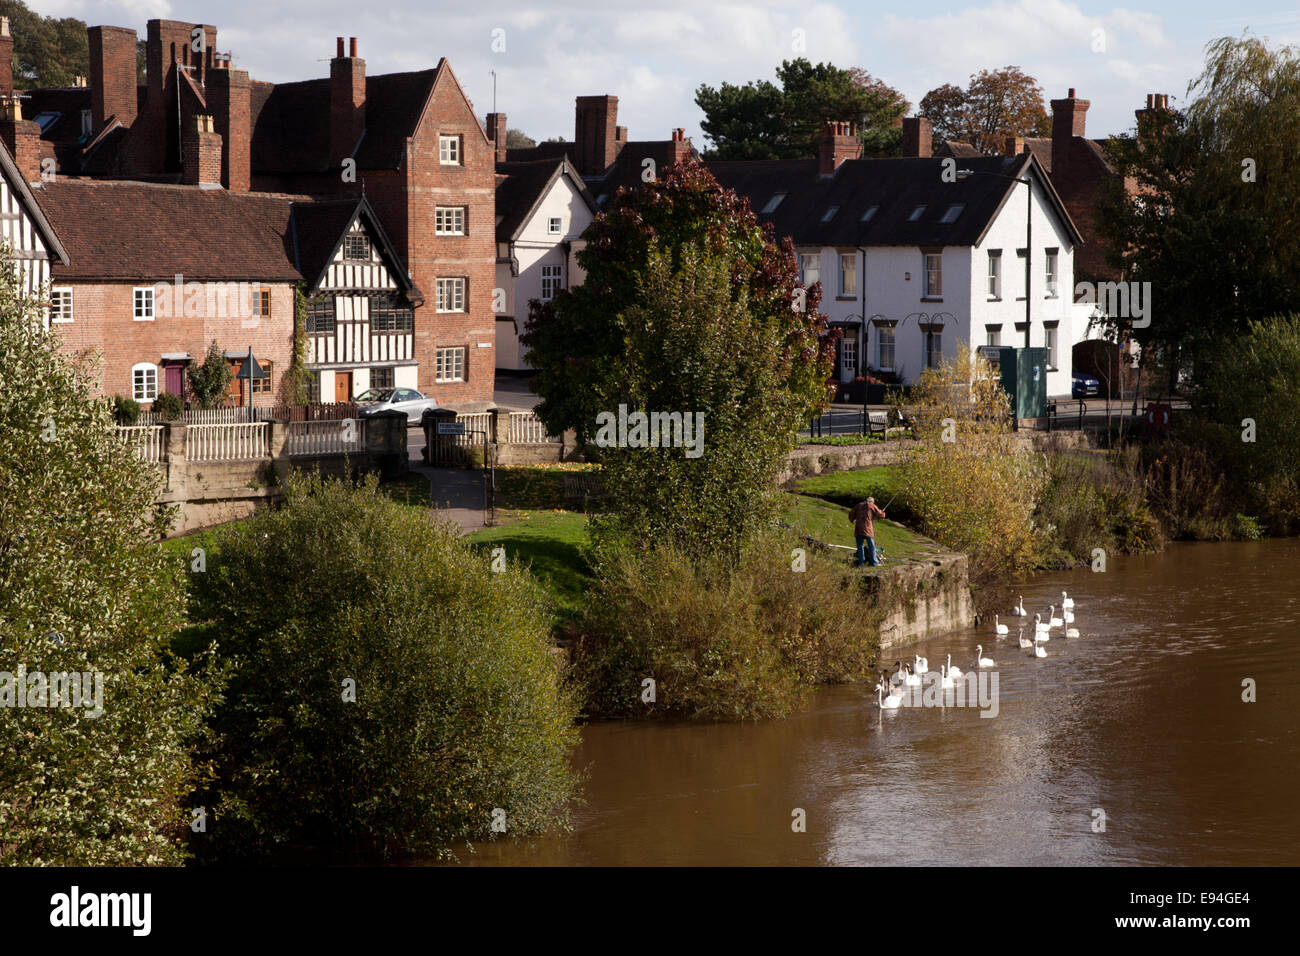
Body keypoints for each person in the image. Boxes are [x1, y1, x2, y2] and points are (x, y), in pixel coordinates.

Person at [849, 496, 886, 567]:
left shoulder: (859, 505)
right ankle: (874, 562)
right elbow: (880, 515)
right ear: (872, 501)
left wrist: (852, 520)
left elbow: (851, 513)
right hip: (868, 529)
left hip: (858, 528)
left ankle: (861, 563)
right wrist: (882, 512)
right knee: (871, 546)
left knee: (860, 546)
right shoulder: (872, 505)